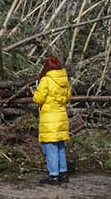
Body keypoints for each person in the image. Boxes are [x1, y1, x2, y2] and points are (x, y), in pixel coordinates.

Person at [32, 55, 72, 184]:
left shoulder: (46, 80)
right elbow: (68, 97)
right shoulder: (64, 80)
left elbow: (39, 99)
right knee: (60, 146)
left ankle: (53, 175)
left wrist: (34, 94)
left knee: (51, 147)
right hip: (61, 116)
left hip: (50, 118)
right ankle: (63, 173)